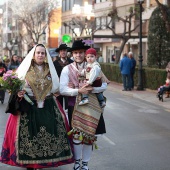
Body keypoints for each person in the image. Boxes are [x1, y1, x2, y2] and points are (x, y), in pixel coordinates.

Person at [0, 44, 74, 170]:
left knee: (49, 134)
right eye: (38, 53)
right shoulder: (26, 68)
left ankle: (44, 161)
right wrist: (18, 92)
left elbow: (56, 87)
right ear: (34, 55)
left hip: (48, 106)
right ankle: (29, 163)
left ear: (45, 56)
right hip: (29, 107)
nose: (40, 55)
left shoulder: (50, 69)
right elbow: (15, 86)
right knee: (29, 135)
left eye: (43, 53)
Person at [60, 40, 107, 170]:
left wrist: (92, 89)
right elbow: (62, 89)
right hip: (74, 105)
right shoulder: (66, 69)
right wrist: (78, 90)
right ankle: (77, 162)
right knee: (76, 136)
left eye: (81, 52)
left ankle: (85, 164)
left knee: (89, 136)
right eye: (75, 53)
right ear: (72, 54)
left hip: (92, 105)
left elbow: (104, 85)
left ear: (84, 53)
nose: (78, 55)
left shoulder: (94, 66)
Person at [53, 43, 73, 110]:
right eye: (61, 51)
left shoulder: (71, 62)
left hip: (69, 86)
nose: (63, 52)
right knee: (59, 106)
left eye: (64, 50)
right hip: (59, 87)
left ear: (67, 51)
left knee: (69, 106)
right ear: (59, 52)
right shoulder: (55, 63)